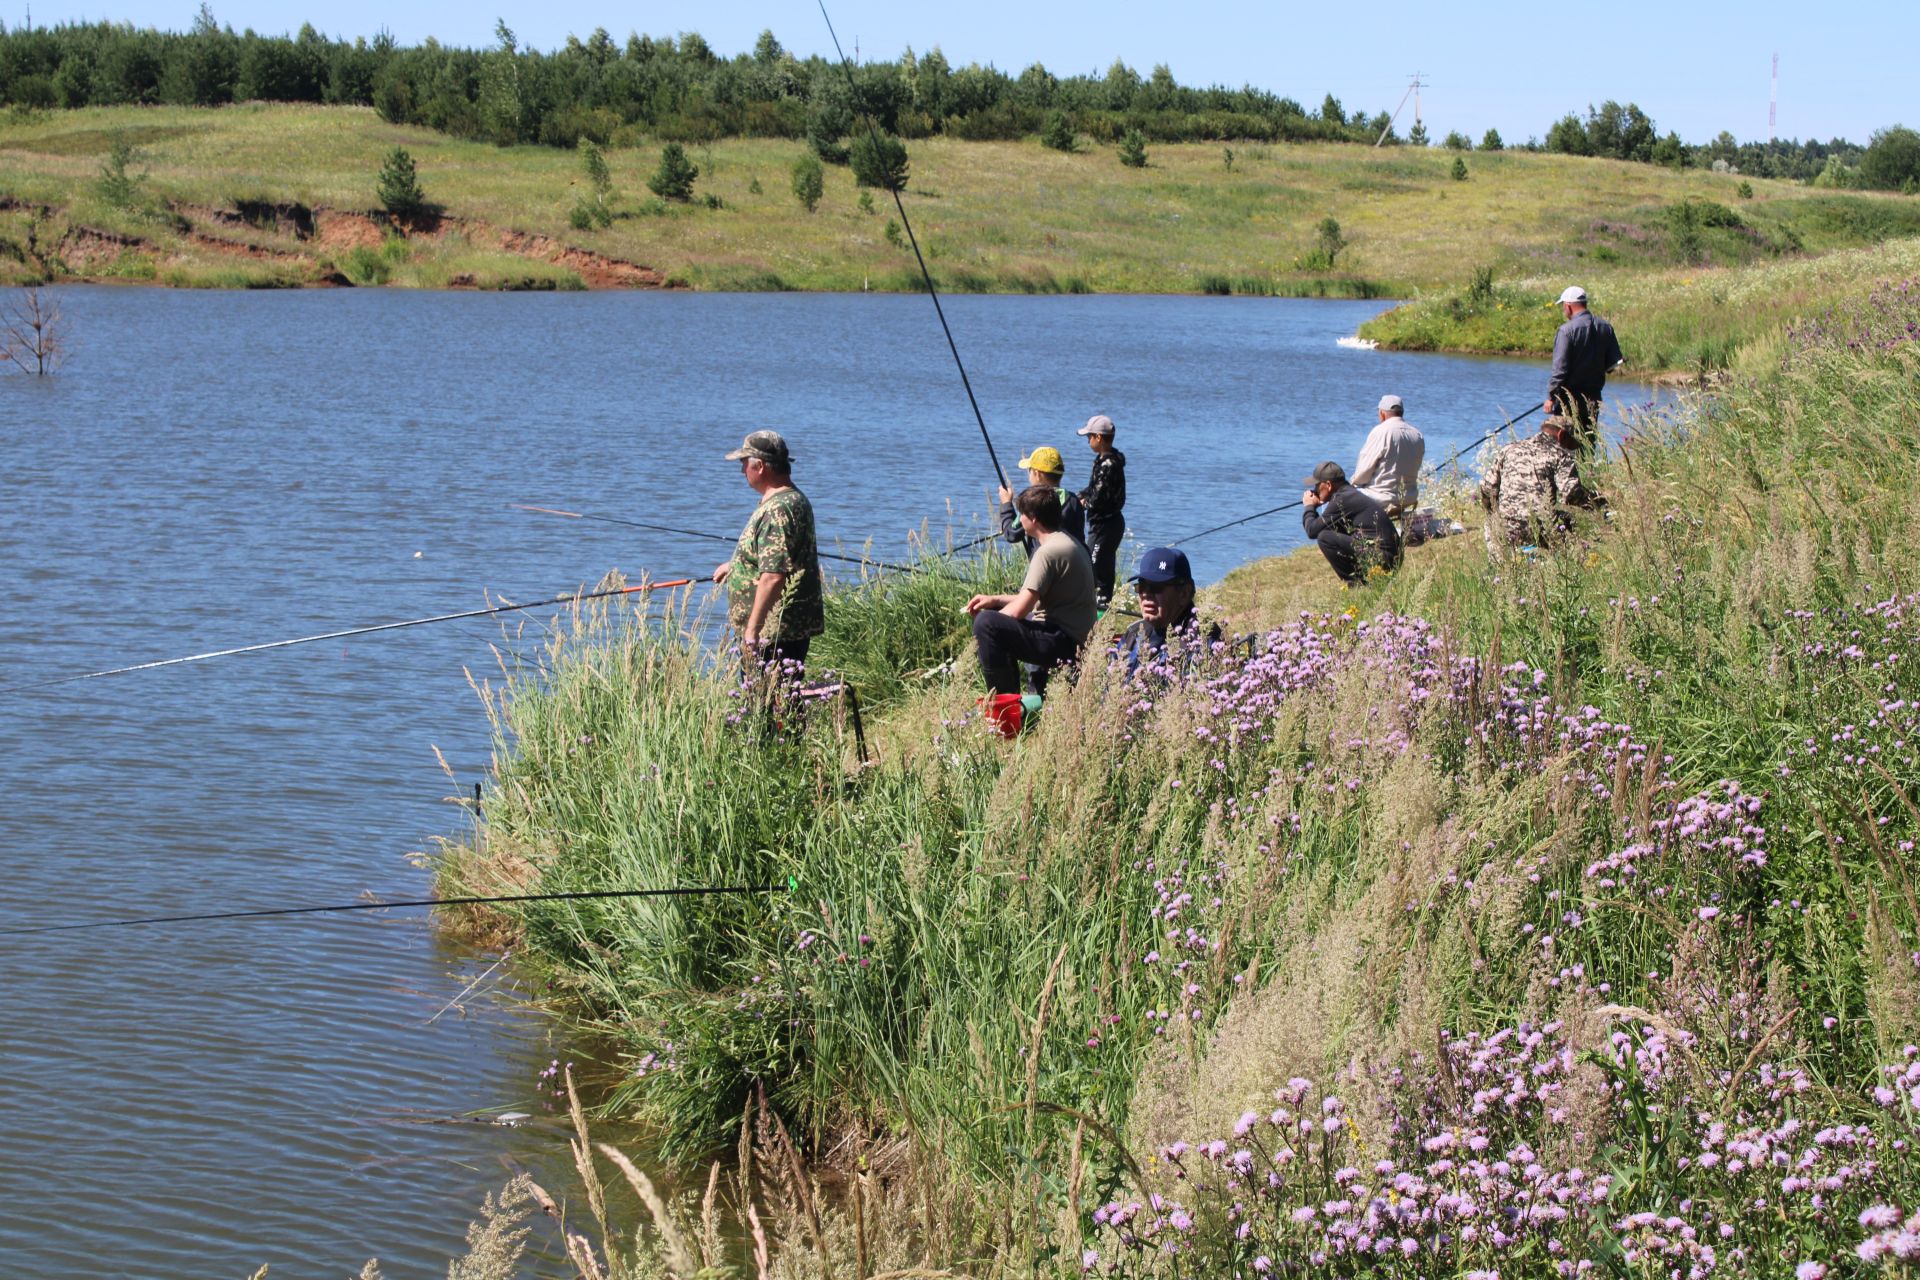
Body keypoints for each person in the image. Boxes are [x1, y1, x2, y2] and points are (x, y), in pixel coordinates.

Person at [968, 485, 1098, 695]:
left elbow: (1019, 610)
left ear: (1033, 518)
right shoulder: (1069, 542)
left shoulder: (1047, 552)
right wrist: (994, 599)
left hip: (1065, 641)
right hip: (1076, 637)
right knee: (997, 623)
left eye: (1022, 514)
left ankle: (1003, 707)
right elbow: (1032, 598)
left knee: (987, 624)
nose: (1020, 519)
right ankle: (1012, 702)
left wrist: (980, 631)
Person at [712, 430, 823, 669]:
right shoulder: (793, 499)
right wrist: (739, 565)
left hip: (773, 633)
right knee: (781, 700)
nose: (742, 471)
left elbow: (773, 576)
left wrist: (752, 631)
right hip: (785, 629)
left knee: (766, 702)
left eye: (744, 464)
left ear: (760, 466)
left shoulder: (777, 510)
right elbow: (783, 557)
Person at [1479, 414, 1602, 551]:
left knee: (1490, 523)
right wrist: (1599, 501)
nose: (1570, 449)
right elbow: (1571, 493)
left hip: (1508, 530)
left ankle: (1498, 562)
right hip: (1542, 530)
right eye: (1569, 444)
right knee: (1570, 519)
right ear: (1561, 435)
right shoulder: (1560, 455)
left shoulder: (1509, 449)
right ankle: (1563, 555)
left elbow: (1487, 488)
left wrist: (1494, 511)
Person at [1113, 546, 1221, 676]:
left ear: (1184, 593)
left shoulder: (1202, 640)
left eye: (1156, 587)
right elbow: (1109, 685)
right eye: (1141, 587)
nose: (1146, 594)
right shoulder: (1134, 633)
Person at [1544, 285, 1624, 447]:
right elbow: (1614, 363)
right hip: (1593, 399)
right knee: (1587, 445)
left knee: (1562, 446)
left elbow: (1560, 371)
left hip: (1568, 401)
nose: (1563, 310)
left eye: (1563, 307)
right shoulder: (1605, 327)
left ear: (1568, 306)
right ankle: (1588, 472)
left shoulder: (1566, 330)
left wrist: (1551, 397)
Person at [1301, 461, 1402, 587]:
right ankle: (1366, 581)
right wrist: (1314, 507)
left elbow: (1312, 530)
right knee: (1330, 530)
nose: (1314, 490)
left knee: (1325, 538)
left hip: (1384, 558)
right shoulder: (1348, 494)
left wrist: (1309, 506)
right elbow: (1320, 526)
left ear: (1328, 485)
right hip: (1390, 558)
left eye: (1317, 485)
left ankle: (1356, 584)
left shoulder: (1342, 499)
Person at [998, 445, 1086, 558]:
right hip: (1073, 563)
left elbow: (1011, 534)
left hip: (1044, 564)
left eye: (1030, 470)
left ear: (1037, 474)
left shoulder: (1033, 502)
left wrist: (1006, 504)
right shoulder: (1074, 501)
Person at [1076, 414, 1128, 607]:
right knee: (1101, 567)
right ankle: (1101, 607)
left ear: (1099, 437)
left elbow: (1098, 497)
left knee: (1096, 567)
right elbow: (1093, 488)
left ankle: (1100, 609)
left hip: (1106, 525)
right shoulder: (1103, 460)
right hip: (1104, 524)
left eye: (1089, 437)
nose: (1088, 441)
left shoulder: (1108, 464)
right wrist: (1078, 496)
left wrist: (1083, 503)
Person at [1350, 394, 1426, 513]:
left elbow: (1362, 475)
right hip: (1409, 497)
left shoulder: (1381, 432)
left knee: (1338, 495)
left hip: (1381, 498)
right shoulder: (1417, 434)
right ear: (1401, 413)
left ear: (1382, 414)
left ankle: (1329, 531)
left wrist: (1351, 483)